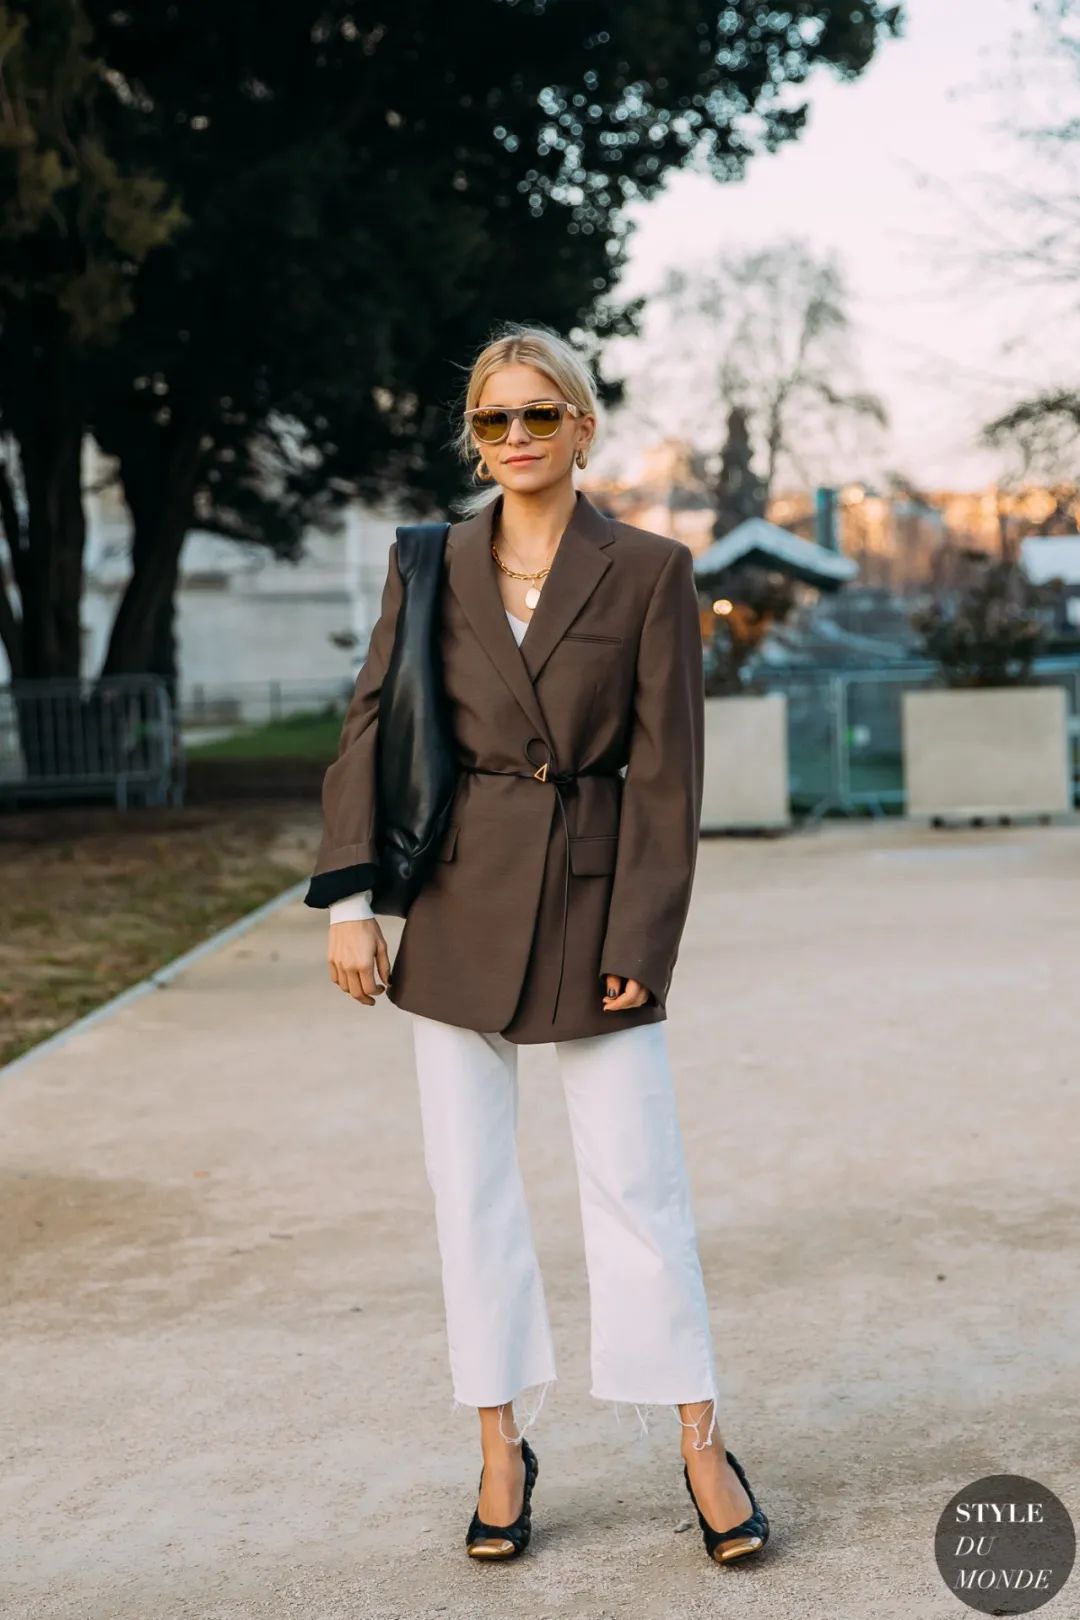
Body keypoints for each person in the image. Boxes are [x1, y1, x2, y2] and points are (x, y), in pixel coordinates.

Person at [305, 322, 769, 1566]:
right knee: (469, 1190)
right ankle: (500, 1444)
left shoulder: (651, 569)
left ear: (581, 424)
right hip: (459, 897)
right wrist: (352, 905)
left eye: (539, 414)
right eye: (494, 419)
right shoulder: (430, 561)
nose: (516, 436)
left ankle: (699, 1438)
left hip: (594, 897)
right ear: (476, 437)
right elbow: (372, 726)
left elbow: (667, 775)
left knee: (637, 1184)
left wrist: (644, 937)